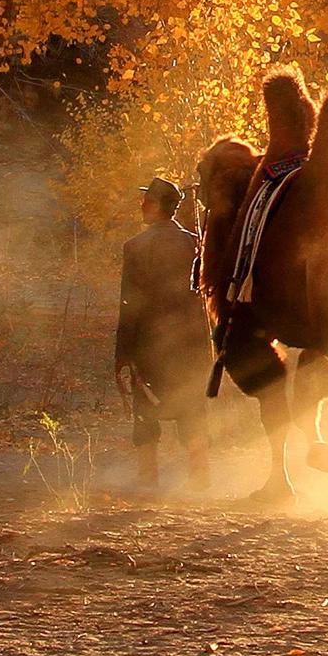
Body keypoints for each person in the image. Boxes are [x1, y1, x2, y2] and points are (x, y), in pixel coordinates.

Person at [114, 176, 210, 489]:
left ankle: (147, 479)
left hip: (150, 344)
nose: (141, 205)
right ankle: (200, 478)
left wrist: (122, 354)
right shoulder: (196, 242)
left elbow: (130, 303)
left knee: (145, 411)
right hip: (191, 343)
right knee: (192, 409)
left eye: (146, 201)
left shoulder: (135, 247)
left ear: (157, 206)